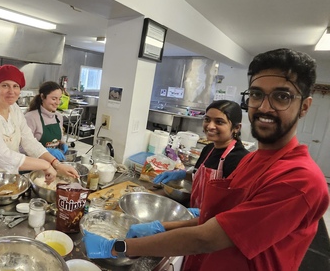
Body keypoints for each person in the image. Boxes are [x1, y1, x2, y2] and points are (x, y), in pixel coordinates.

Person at [83, 48, 329, 271]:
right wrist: (161, 227)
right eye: (256, 94)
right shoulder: (253, 161)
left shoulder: (299, 180)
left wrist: (119, 247)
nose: (265, 107)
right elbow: (216, 219)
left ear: (305, 106)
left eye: (282, 96)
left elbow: (208, 237)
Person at [0, 65, 78, 195]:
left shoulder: (14, 109)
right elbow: (0, 156)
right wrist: (44, 165)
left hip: (4, 180)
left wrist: (56, 164)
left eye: (15, 86)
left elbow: (29, 141)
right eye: (5, 85)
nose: (11, 91)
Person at [153, 100, 250, 215]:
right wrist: (183, 174)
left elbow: (236, 206)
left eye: (219, 122)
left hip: (213, 223)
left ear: (236, 128)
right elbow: (199, 177)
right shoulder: (209, 149)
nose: (210, 126)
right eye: (207, 119)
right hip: (193, 214)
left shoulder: (241, 159)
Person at [24, 81, 69, 161]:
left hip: (53, 163)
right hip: (34, 166)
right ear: (42, 97)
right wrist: (46, 151)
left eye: (59, 99)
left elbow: (60, 138)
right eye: (54, 99)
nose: (57, 103)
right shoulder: (30, 117)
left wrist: (62, 143)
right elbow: (22, 148)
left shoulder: (58, 116)